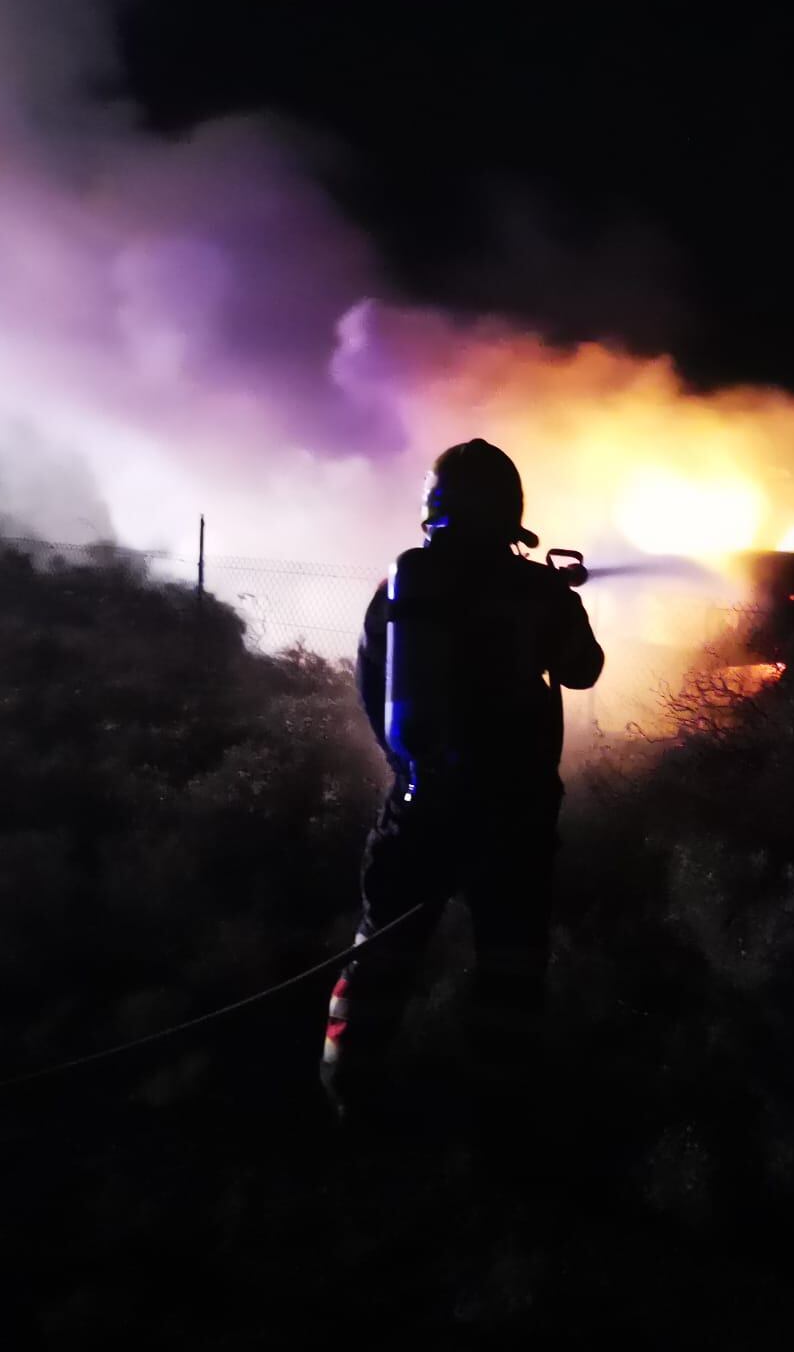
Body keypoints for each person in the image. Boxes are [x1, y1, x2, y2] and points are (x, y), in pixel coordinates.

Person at [320, 439, 603, 1122]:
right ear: (512, 511)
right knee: (510, 960)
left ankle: (347, 1098)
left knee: (382, 950)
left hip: (420, 805)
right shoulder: (536, 589)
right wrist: (558, 604)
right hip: (515, 812)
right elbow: (583, 670)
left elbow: (371, 681)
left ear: (434, 507)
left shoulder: (404, 582)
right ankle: (497, 1112)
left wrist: (415, 772)